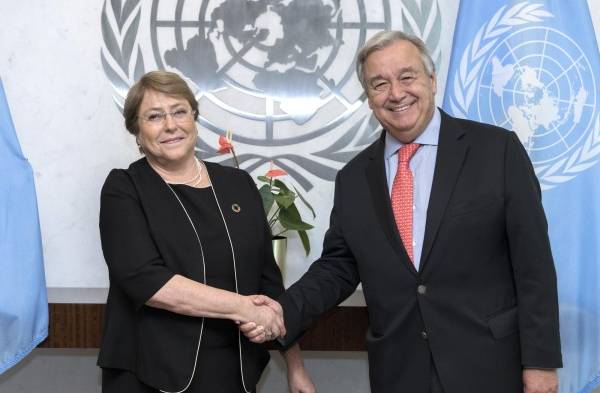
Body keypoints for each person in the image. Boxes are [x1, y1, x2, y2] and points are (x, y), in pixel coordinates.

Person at [242, 31, 562, 393]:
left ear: (432, 80)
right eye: (380, 84)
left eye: (407, 76)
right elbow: (338, 268)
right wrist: (281, 313)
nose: (396, 93)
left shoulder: (496, 151)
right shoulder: (354, 178)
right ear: (369, 99)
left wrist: (541, 363)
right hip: (400, 371)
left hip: (490, 366)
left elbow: (533, 265)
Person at [97, 70, 315, 393]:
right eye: (154, 116)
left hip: (232, 372)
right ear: (137, 132)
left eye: (179, 111)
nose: (171, 125)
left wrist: (295, 367)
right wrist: (243, 307)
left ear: (194, 118)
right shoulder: (124, 189)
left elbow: (269, 282)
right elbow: (148, 281)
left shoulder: (238, 185)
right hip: (148, 374)